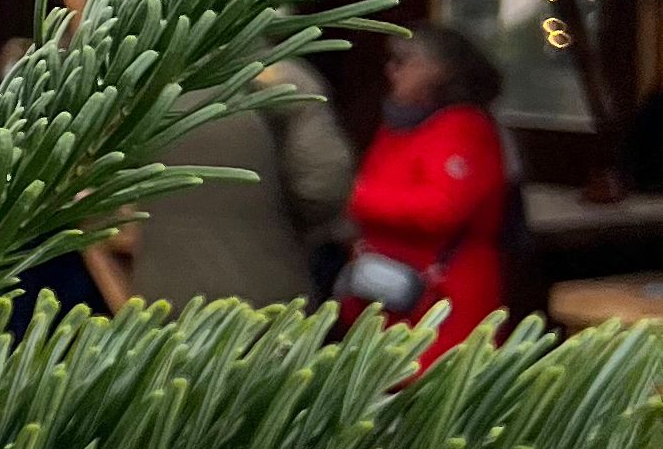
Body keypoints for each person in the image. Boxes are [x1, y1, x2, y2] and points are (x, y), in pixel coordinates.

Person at [341, 24, 511, 371]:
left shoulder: (465, 127)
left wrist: (356, 197)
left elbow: (441, 208)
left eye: (403, 61)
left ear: (439, 72)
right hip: (388, 295)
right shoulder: (398, 126)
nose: (392, 70)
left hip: (444, 304)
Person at [133, 57, 355, 307]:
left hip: (160, 299)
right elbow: (322, 190)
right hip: (261, 304)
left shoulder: (150, 75)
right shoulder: (283, 79)